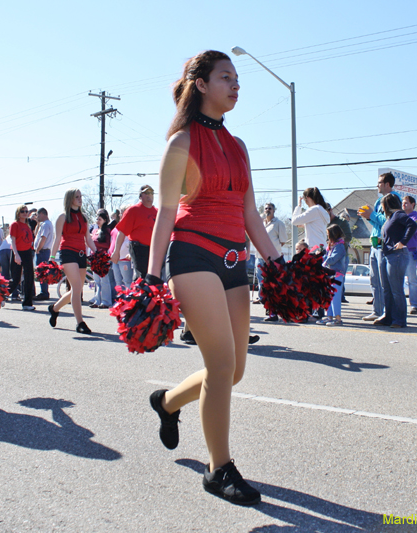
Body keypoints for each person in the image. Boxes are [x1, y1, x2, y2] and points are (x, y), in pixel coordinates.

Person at [146, 50, 282, 506]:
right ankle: (219, 468)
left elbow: (249, 215)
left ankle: (166, 402)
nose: (236, 85)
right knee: (221, 365)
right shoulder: (181, 142)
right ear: (201, 84)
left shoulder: (239, 146)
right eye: (227, 77)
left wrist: (276, 261)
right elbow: (165, 213)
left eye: (238, 78)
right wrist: (149, 276)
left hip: (233, 261)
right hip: (192, 256)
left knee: (234, 370)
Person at [48, 189, 98, 334]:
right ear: (70, 199)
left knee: (76, 290)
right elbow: (57, 238)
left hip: (81, 254)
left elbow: (88, 238)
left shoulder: (84, 217)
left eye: (80, 196)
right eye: (77, 197)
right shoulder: (63, 217)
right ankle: (80, 322)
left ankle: (54, 308)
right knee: (76, 288)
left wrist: (96, 252)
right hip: (67, 253)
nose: (80, 199)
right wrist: (51, 258)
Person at [360, 172, 402, 322]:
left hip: (383, 243)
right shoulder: (380, 200)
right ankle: (377, 311)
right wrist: (368, 216)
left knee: (383, 281)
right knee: (374, 279)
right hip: (375, 243)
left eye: (379, 183)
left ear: (387, 184)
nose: (377, 185)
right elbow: (378, 223)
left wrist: (371, 215)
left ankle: (387, 313)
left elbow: (388, 220)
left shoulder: (393, 198)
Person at [373, 193, 417, 328]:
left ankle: (399, 320)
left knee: (396, 289)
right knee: (386, 288)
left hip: (397, 255)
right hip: (387, 254)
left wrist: (403, 242)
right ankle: (388, 317)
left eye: (382, 205)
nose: (381, 208)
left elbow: (412, 225)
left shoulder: (399, 214)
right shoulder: (391, 218)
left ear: (387, 204)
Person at [112, 185, 157, 280]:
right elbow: (122, 232)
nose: (149, 195)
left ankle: (151, 294)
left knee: (154, 277)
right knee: (142, 276)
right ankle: (139, 294)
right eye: (146, 193)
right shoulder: (133, 210)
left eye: (151, 193)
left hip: (154, 249)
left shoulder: (157, 211)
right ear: (140, 196)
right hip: (138, 248)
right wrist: (116, 251)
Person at [256, 202, 287, 321]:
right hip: (260, 257)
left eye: (270, 208)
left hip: (273, 259)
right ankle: (269, 308)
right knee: (262, 285)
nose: (267, 210)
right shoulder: (260, 223)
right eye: (266, 208)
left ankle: (273, 312)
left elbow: (283, 241)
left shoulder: (279, 224)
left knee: (273, 286)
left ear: (274, 210)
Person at [317, 224, 348, 326]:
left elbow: (333, 259)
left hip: (337, 274)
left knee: (335, 297)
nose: (328, 237)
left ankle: (338, 318)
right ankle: (329, 317)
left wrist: (323, 261)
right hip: (330, 274)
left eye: (328, 234)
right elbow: (326, 256)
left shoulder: (340, 246)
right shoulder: (332, 246)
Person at [9, 205, 36, 310]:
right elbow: (13, 240)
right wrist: (16, 254)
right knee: (16, 279)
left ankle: (27, 303)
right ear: (18, 213)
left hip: (27, 252)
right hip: (18, 251)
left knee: (29, 277)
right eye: (22, 211)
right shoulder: (15, 224)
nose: (25, 213)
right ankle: (1, 295)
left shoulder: (28, 224)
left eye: (26, 211)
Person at [401, 195, 417, 314]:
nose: (403, 205)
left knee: (412, 280)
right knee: (398, 280)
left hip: (410, 251)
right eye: (402, 203)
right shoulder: (400, 216)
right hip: (398, 251)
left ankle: (415, 305)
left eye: (406, 203)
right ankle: (399, 305)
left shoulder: (416, 218)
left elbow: (411, 229)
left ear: (413, 204)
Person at [91, 209, 112, 309]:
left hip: (103, 258)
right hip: (95, 258)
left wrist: (95, 244)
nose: (97, 221)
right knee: (97, 281)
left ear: (104, 220)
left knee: (104, 281)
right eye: (97, 219)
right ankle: (97, 300)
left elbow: (107, 244)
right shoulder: (95, 231)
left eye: (100, 219)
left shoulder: (107, 231)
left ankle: (106, 301)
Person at [34, 208, 54, 300]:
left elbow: (43, 238)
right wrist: (38, 223)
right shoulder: (44, 224)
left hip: (43, 251)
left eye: (38, 215)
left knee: (42, 272)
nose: (37, 217)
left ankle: (44, 292)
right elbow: (36, 235)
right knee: (41, 272)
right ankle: (44, 291)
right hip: (43, 251)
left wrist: (38, 249)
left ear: (42, 214)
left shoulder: (46, 224)